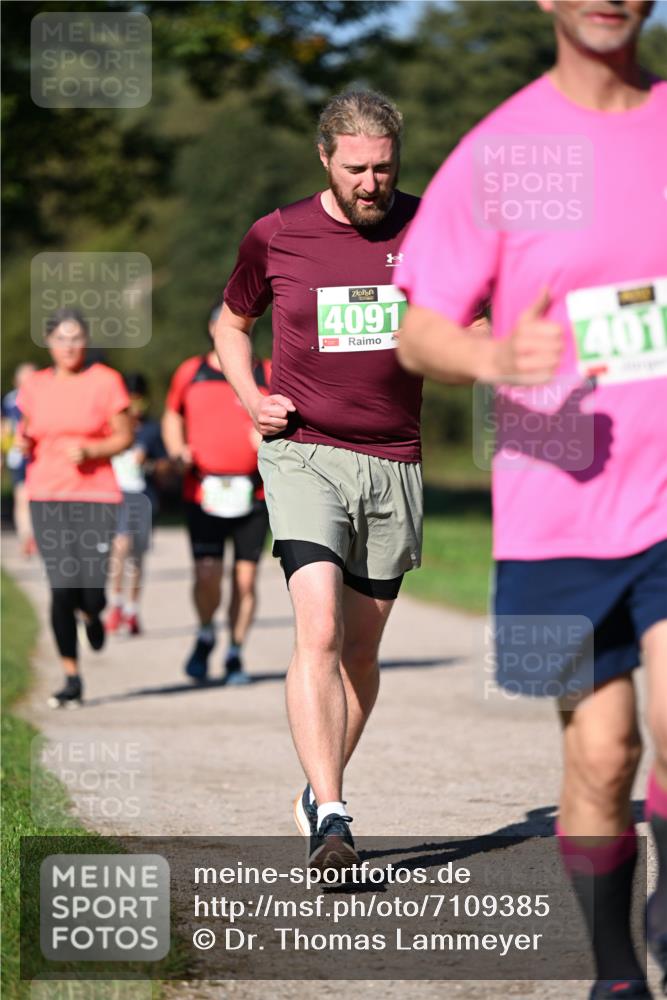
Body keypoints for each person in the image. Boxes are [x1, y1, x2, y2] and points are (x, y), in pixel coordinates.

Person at [395, 3, 666, 998]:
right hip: (555, 509)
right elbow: (418, 329)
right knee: (601, 756)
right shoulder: (498, 152)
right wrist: (493, 356)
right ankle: (615, 977)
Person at [214, 90, 426, 872]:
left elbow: (473, 316)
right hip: (302, 451)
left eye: (383, 168)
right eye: (355, 169)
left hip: (394, 458)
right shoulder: (277, 233)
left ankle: (316, 783)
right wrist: (250, 396)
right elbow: (230, 323)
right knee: (320, 629)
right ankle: (332, 816)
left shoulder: (430, 227)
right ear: (324, 158)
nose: (371, 184)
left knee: (360, 654)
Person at [16, 308, 132, 707]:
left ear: (86, 341)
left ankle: (93, 613)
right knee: (61, 585)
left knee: (92, 591)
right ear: (49, 342)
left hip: (95, 495)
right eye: (61, 339)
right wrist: (22, 443)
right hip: (46, 495)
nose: (69, 346)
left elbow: (125, 436)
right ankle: (71, 677)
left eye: (76, 338)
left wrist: (92, 450)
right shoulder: (33, 385)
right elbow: (26, 433)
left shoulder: (106, 381)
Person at [162, 305, 271, 686]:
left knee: (245, 580)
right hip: (203, 490)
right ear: (213, 329)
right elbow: (172, 414)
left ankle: (235, 652)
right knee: (207, 573)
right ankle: (206, 632)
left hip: (254, 492)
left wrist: (269, 438)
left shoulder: (267, 373)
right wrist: (177, 450)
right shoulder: (191, 372)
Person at [106, 372, 169, 636]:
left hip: (143, 497)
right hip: (116, 495)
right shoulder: (109, 426)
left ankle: (132, 610)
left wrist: (150, 464)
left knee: (136, 557)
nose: (134, 405)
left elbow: (165, 466)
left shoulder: (152, 429)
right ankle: (116, 605)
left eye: (138, 399)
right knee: (120, 546)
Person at [2, 362, 37, 556]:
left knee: (36, 497)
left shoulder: (45, 398)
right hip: (19, 456)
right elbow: (5, 429)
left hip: (40, 455)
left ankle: (36, 534)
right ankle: (26, 536)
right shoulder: (10, 401)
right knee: (22, 497)